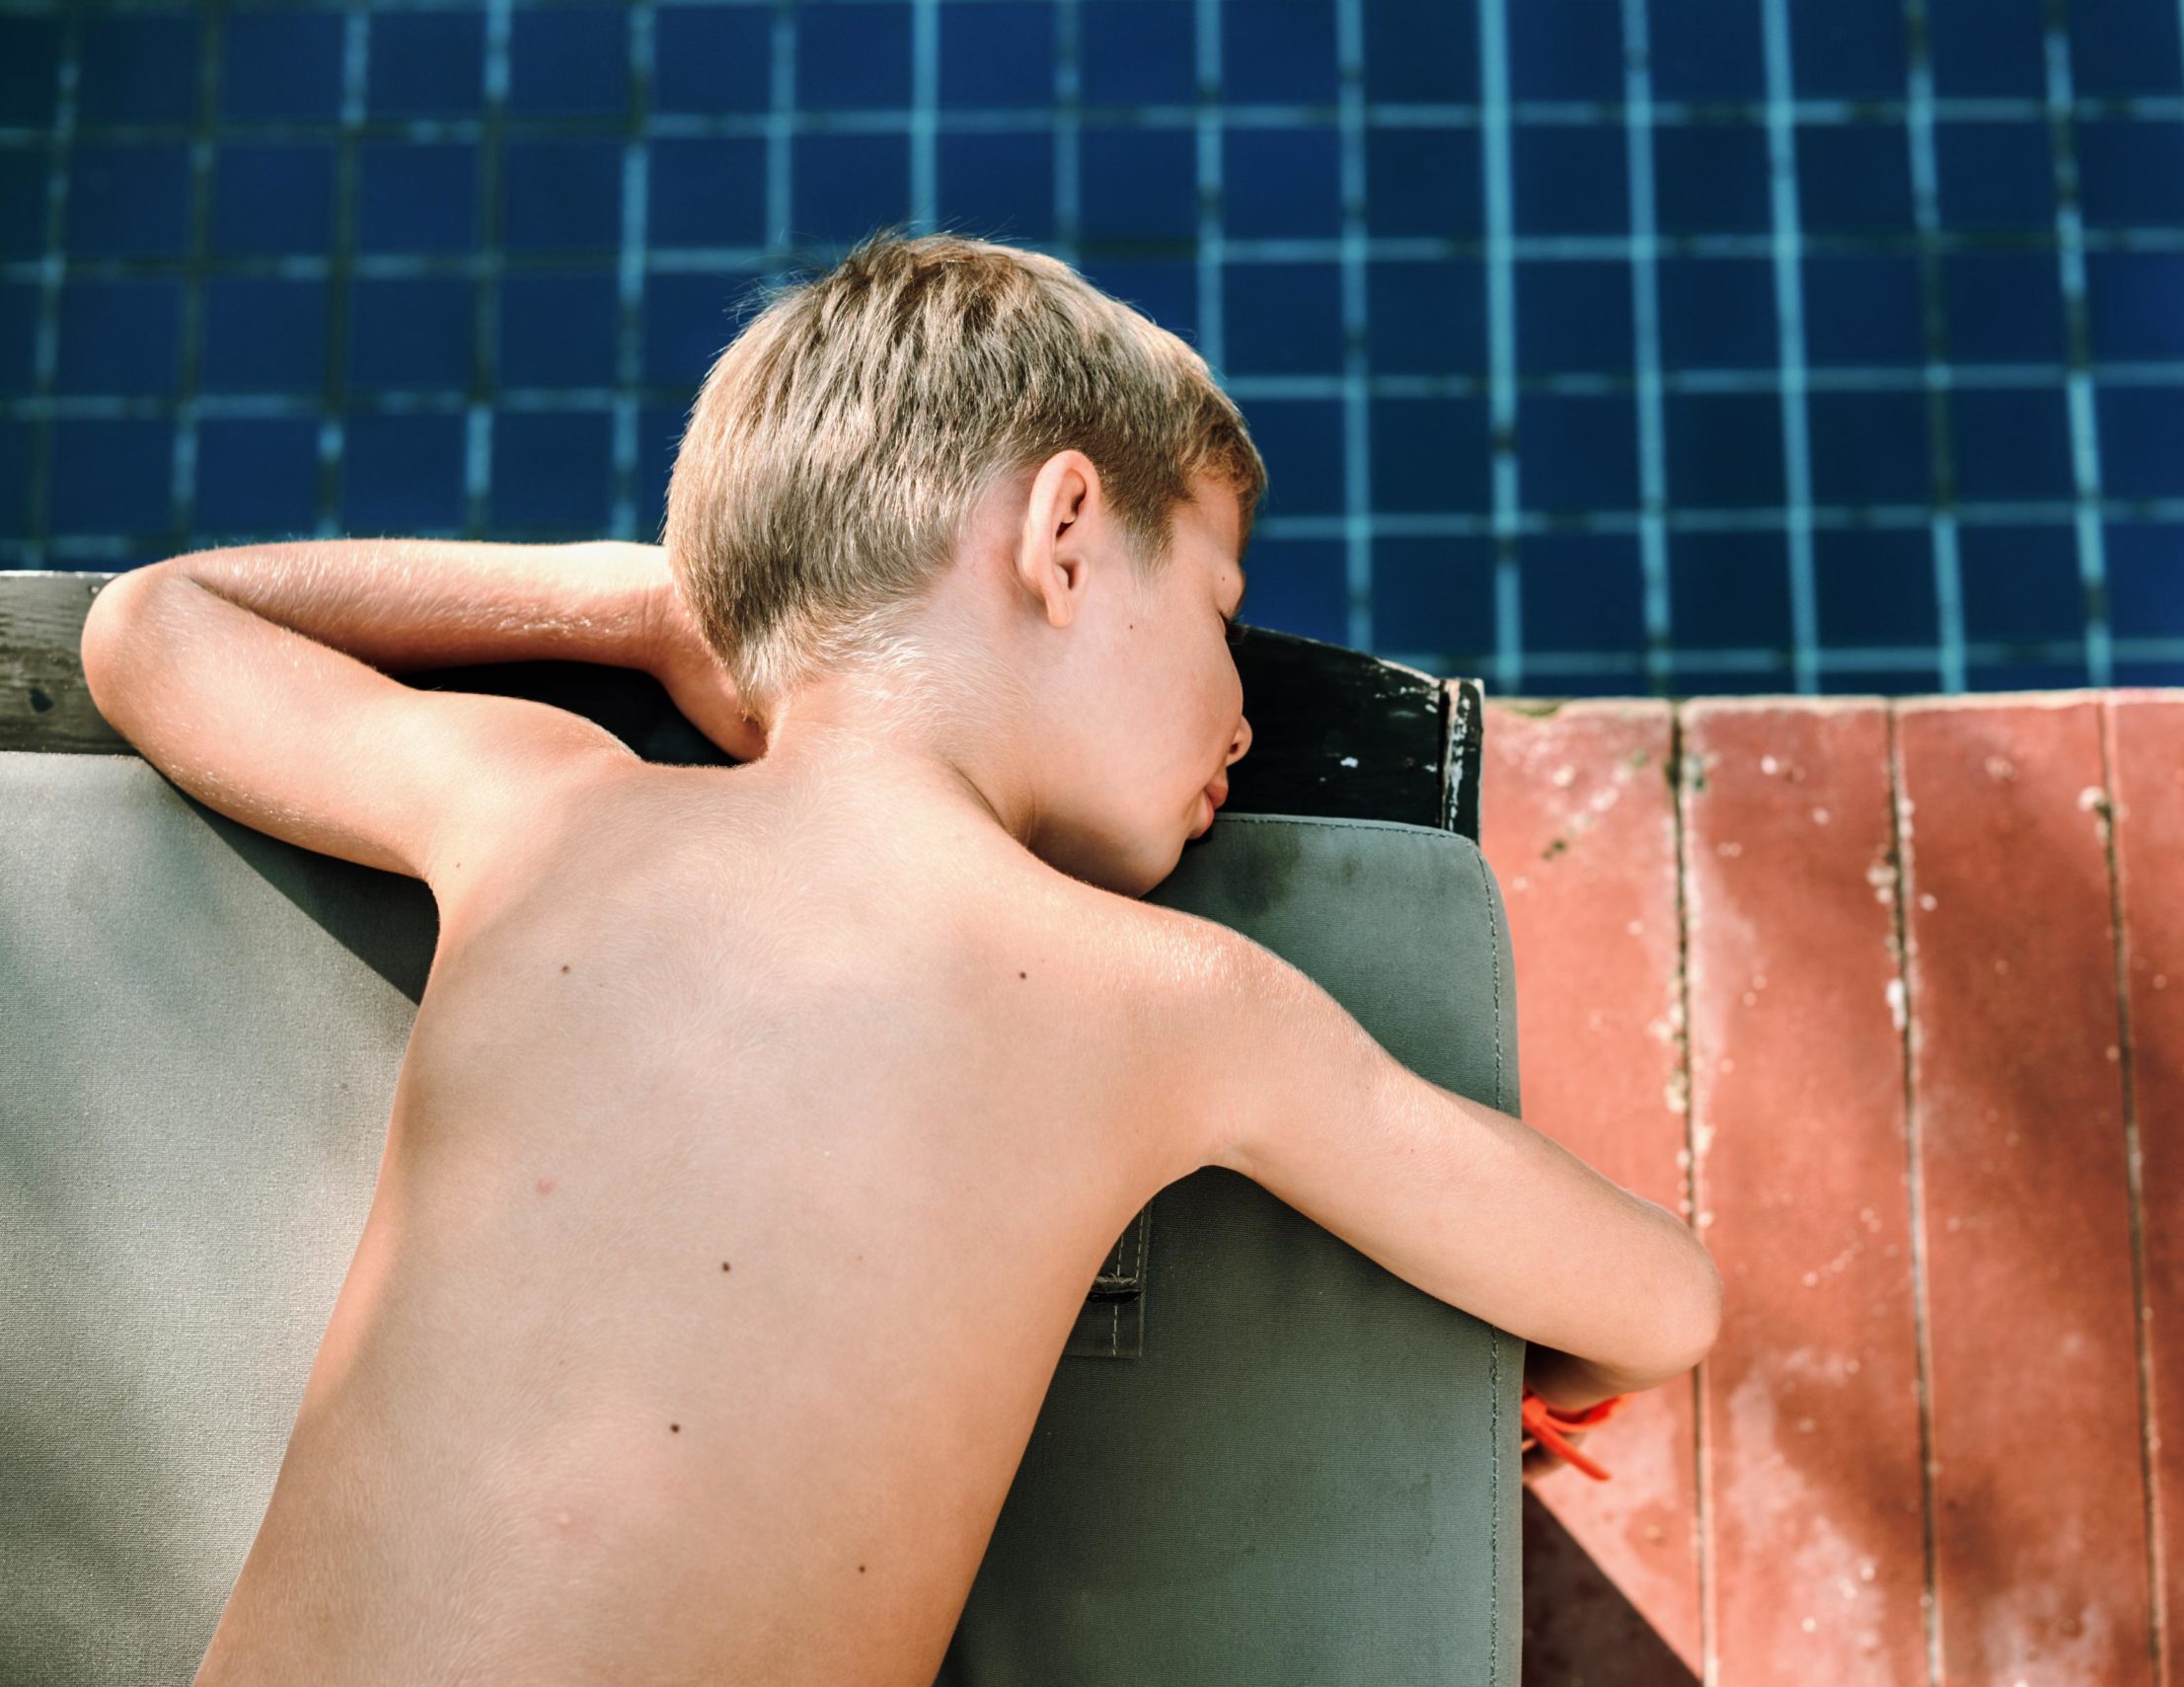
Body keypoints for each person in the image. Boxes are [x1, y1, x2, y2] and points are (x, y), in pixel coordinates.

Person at [79, 227, 1722, 1685]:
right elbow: (1660, 1299)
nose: (1241, 707)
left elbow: (152, 628)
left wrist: (651, 613)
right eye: (1222, 610)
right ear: (1066, 530)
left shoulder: (539, 811)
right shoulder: (1158, 1001)